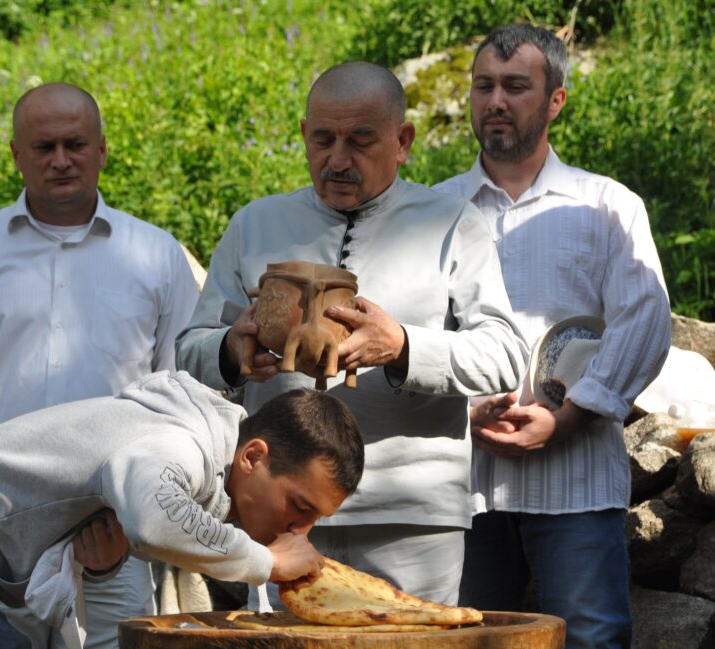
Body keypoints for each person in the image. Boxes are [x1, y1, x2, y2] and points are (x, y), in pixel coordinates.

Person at [175, 61, 528, 606]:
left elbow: (506, 355)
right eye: (323, 140)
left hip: (410, 513)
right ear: (303, 135)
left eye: (361, 140)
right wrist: (230, 349)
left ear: (402, 140)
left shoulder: (452, 223)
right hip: (279, 511)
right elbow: (189, 349)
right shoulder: (255, 224)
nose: (337, 160)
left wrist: (404, 347)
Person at [0, 83, 199, 648]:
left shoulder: (156, 255)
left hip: (112, 534)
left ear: (102, 150)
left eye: (75, 144)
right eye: (43, 147)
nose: (61, 160)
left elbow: (182, 401)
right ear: (15, 153)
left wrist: (142, 522)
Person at [433, 23, 671, 649]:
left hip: (576, 481)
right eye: (484, 86)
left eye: (516, 86)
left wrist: (568, 417)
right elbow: (414, 334)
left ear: (555, 100)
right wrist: (464, 412)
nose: (496, 101)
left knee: (591, 641)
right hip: (464, 485)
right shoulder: (431, 211)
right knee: (465, 644)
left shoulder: (606, 206)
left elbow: (644, 319)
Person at [0, 370, 364, 649]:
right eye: (299, 507)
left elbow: (128, 521)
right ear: (253, 456)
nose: (301, 530)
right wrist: (267, 562)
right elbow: (154, 518)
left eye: (315, 519)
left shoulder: (197, 451)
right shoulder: (180, 443)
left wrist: (103, 561)